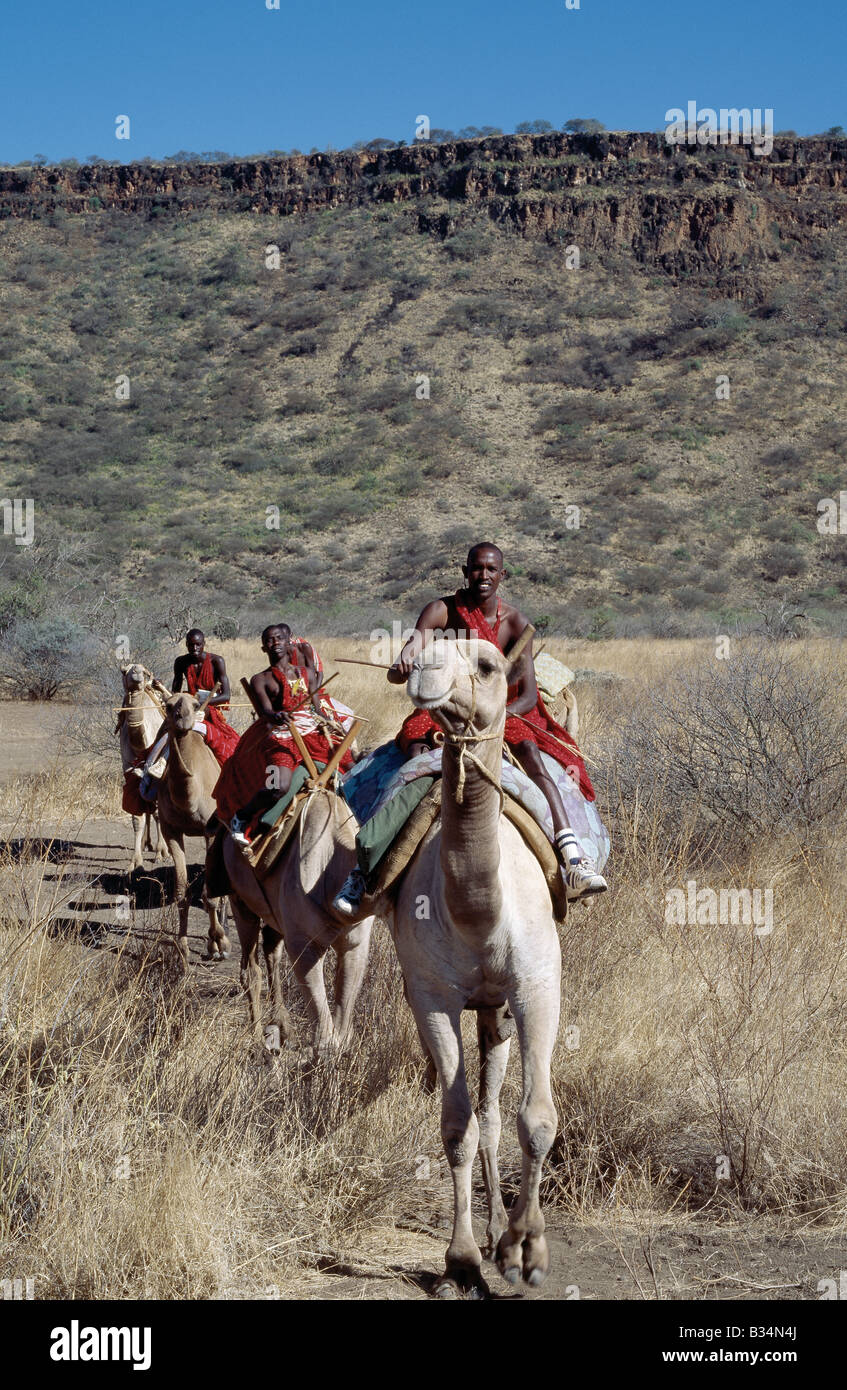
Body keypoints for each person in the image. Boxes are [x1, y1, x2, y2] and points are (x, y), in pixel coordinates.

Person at [334, 542, 607, 913]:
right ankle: (366, 867)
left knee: (530, 756)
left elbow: (527, 696)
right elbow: (411, 656)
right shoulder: (440, 612)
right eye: (476, 569)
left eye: (491, 570)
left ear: (502, 575)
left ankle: (572, 855)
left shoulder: (515, 624)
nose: (483, 576)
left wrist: (492, 714)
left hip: (502, 710)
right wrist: (403, 663)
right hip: (445, 710)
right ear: (465, 572)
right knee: (416, 754)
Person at [213, 623, 355, 848]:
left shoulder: (307, 674)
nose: (275, 643)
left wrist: (330, 724)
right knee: (278, 786)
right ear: (263, 648)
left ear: (289, 642)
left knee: (351, 768)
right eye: (269, 640)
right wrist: (276, 716)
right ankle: (243, 816)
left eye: (279, 638)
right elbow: (266, 712)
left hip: (311, 732)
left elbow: (316, 708)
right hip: (281, 737)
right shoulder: (260, 679)